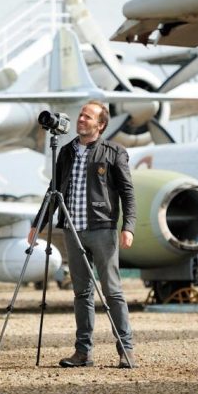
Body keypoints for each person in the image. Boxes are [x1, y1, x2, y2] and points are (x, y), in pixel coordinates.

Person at [28, 100, 136, 369]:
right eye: (81, 116)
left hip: (102, 230)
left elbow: (128, 193)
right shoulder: (65, 152)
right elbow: (54, 190)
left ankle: (126, 350)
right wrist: (37, 223)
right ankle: (83, 353)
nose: (81, 120)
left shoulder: (114, 152)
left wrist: (128, 226)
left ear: (100, 125)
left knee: (112, 292)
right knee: (81, 294)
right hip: (72, 232)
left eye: (88, 117)